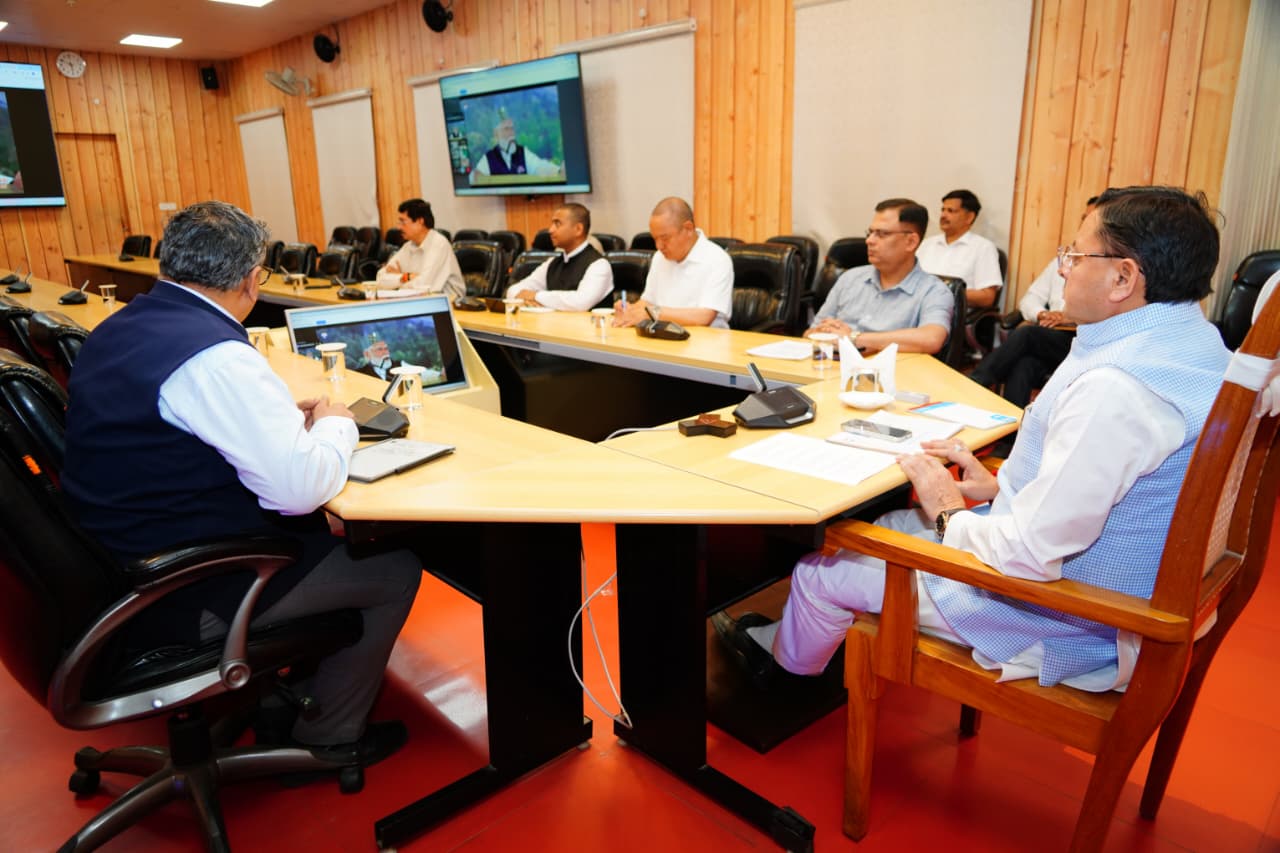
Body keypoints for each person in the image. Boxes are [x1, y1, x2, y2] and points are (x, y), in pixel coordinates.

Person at [714, 186, 1231, 694]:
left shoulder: (1116, 387)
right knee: (887, 523)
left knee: (820, 568)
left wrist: (946, 507)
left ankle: (784, 681)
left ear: (1123, 277)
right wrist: (1003, 485)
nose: (1063, 270)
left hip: (1060, 615)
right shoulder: (1199, 348)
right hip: (1110, 581)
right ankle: (812, 641)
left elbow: (1029, 555)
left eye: (1074, 255)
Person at [62, 201, 422, 767]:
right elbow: (298, 492)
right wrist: (337, 423)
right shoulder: (217, 356)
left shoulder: (120, 325)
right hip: (185, 589)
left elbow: (177, 426)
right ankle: (329, 738)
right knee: (394, 568)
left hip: (116, 562)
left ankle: (279, 692)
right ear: (253, 279)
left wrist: (271, 426)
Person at [968, 196, 1100, 407]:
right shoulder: (1062, 261)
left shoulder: (1104, 267)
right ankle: (1010, 423)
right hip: (1053, 338)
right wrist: (1042, 313)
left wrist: (1070, 317)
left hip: (1085, 341)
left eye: (1091, 218)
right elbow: (1030, 299)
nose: (1084, 222)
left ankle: (975, 383)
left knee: (1028, 334)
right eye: (1083, 217)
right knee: (1024, 364)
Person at [807, 198, 954, 354]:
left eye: (882, 234)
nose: (869, 241)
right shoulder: (850, 278)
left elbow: (932, 339)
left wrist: (854, 338)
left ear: (911, 242)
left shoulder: (934, 291)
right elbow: (810, 333)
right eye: (870, 233)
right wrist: (825, 333)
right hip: (833, 364)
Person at [612, 197, 733, 329]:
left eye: (665, 238)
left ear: (688, 228)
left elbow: (704, 317)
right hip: (662, 334)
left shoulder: (717, 260)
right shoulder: (659, 257)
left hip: (705, 339)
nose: (659, 246)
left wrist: (651, 313)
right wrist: (630, 310)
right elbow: (647, 302)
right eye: (655, 239)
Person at [506, 203, 614, 311]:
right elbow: (513, 291)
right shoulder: (552, 263)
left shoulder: (599, 265)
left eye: (557, 224)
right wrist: (525, 297)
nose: (550, 230)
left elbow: (580, 303)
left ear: (578, 229)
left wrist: (536, 296)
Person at [916, 189, 1004, 309]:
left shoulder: (983, 248)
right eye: (943, 210)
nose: (943, 215)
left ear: (969, 217)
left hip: (951, 313)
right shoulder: (927, 244)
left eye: (950, 211)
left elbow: (987, 297)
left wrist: (945, 291)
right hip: (915, 308)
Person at [376, 198, 465, 299]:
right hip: (418, 300)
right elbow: (380, 279)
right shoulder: (408, 246)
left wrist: (397, 280)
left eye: (403, 222)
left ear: (420, 221)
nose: (399, 227)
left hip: (451, 303)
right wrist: (406, 276)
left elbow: (423, 287)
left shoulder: (438, 244)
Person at [468, 117, 563, 183]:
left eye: (512, 129)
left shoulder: (522, 152)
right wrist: (474, 175)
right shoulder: (489, 158)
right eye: (506, 129)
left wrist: (557, 171)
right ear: (496, 134)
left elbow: (539, 167)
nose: (511, 133)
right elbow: (475, 176)